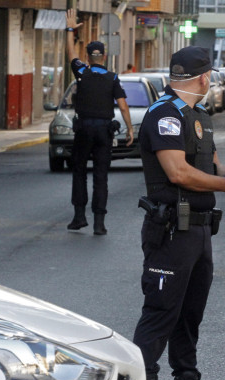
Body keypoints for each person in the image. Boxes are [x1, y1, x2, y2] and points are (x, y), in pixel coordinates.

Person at [132, 46, 225, 380]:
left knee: (189, 317)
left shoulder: (199, 116)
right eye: (210, 77)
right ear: (204, 77)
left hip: (200, 230)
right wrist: (223, 184)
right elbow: (178, 173)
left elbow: (209, 163)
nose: (211, 82)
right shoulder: (164, 114)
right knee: (160, 312)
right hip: (170, 230)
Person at [65, 9, 134, 235]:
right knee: (101, 176)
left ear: (87, 57)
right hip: (104, 131)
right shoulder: (112, 78)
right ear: (104, 57)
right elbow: (122, 105)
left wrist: (70, 29)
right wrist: (130, 128)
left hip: (84, 129)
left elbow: (69, 53)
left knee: (79, 172)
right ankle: (99, 223)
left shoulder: (81, 72)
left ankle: (78, 217)